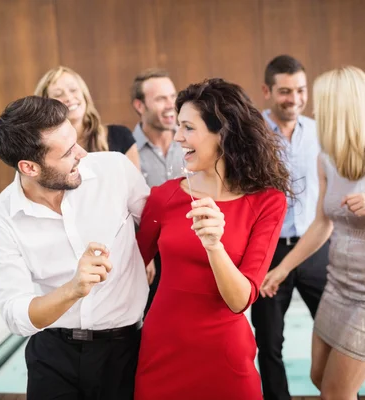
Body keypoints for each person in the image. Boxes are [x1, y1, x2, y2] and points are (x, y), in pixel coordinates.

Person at [261, 66, 365, 399]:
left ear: (344, 108)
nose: (315, 111)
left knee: (336, 392)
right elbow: (322, 223)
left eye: (322, 104)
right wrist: (281, 269)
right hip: (338, 287)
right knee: (319, 378)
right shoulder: (327, 159)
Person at [0, 96, 150, 400]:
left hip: (126, 352)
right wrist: (73, 288)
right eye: (68, 152)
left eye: (75, 142)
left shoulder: (114, 170)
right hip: (52, 356)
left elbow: (161, 227)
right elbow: (16, 314)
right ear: (29, 167)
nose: (82, 154)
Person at [134, 78, 291, 399]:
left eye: (188, 128)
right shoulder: (163, 197)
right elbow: (129, 266)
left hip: (225, 356)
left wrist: (214, 245)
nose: (177, 136)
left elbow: (240, 299)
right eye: (178, 126)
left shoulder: (267, 201)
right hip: (162, 352)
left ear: (223, 133)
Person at [251, 55, 329, 400]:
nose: (294, 99)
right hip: (268, 251)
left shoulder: (320, 132)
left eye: (300, 90)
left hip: (316, 247)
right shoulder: (251, 136)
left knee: (335, 333)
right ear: (267, 91)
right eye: (285, 91)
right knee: (268, 342)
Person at [130, 68, 185, 312]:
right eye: (160, 99)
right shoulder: (125, 151)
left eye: (172, 96)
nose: (171, 105)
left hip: (188, 253)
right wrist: (143, 255)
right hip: (148, 258)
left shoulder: (191, 143)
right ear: (140, 106)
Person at [35, 65, 140, 169]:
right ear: (46, 106)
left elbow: (135, 184)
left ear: (84, 94)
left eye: (73, 90)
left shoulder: (121, 136)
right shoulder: (40, 149)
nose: (68, 97)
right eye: (58, 94)